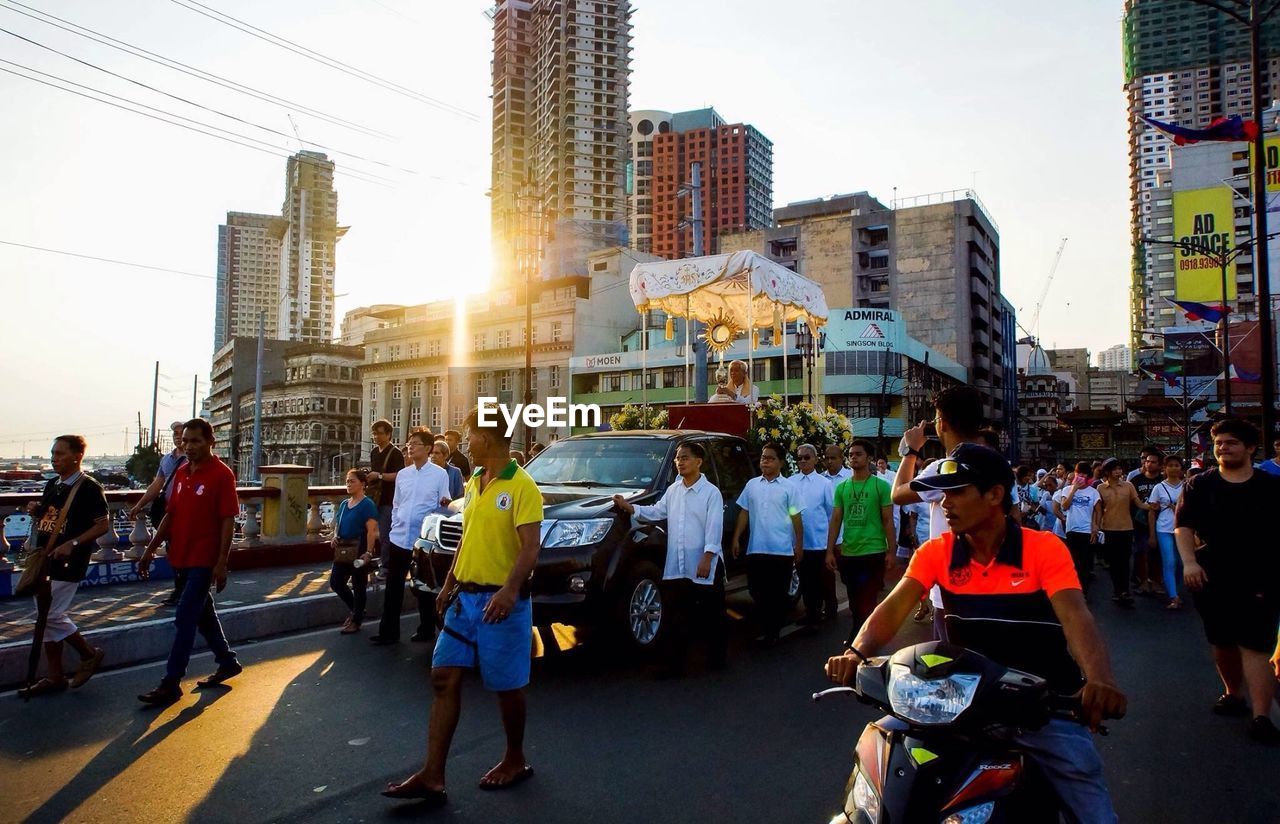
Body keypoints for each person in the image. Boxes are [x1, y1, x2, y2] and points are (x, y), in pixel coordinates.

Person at [826, 444, 1127, 823]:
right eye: (942, 493)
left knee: (1091, 809)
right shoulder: (936, 552)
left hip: (1041, 709)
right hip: (958, 708)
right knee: (880, 765)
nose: (944, 503)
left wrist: (1099, 680)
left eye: (956, 492)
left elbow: (1076, 618)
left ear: (994, 495)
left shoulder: (1044, 549)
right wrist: (855, 653)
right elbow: (892, 609)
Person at [383, 406, 544, 805]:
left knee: (507, 689)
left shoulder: (523, 487)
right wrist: (448, 584)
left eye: (470, 434)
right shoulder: (474, 479)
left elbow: (531, 548)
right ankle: (433, 774)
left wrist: (508, 591)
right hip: (463, 599)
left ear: (487, 438)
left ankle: (515, 758)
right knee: (443, 677)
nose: (464, 441)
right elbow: (468, 536)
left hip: (501, 603)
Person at [1175, 417, 1280, 744]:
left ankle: (1261, 715)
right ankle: (1233, 693)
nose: (1223, 448)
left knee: (1256, 642)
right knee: (1221, 639)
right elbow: (1184, 527)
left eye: (1231, 442)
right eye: (1219, 443)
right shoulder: (1200, 484)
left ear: (1250, 448)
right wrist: (1189, 562)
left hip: (1260, 574)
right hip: (1211, 574)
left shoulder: (1271, 486)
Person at [137, 419, 242, 706]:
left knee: (185, 616)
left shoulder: (222, 475)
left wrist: (222, 561)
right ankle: (226, 660)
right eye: (185, 440)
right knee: (203, 614)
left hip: (204, 558)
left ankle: (171, 682)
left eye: (196, 440)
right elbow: (171, 515)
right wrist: (150, 549)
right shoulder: (182, 472)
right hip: (181, 554)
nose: (189, 446)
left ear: (210, 442)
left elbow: (227, 520)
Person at [613, 441, 726, 674]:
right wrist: (631, 508)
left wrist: (707, 556)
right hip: (678, 565)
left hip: (704, 564)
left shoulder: (710, 493)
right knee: (676, 615)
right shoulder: (674, 491)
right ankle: (674, 663)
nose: (680, 462)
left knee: (711, 614)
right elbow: (657, 511)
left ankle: (716, 659)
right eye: (677, 458)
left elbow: (714, 528)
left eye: (684, 458)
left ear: (698, 462)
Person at [891, 384, 987, 641]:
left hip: (951, 584)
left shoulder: (944, 468)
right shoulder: (994, 464)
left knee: (952, 666)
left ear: (941, 424)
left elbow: (898, 493)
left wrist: (911, 451)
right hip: (992, 584)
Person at [17, 435, 110, 698]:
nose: (54, 458)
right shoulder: (53, 485)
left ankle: (88, 654)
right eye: (53, 453)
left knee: (51, 616)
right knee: (45, 616)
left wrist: (75, 543)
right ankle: (55, 675)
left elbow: (102, 525)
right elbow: (52, 516)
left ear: (77, 456)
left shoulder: (89, 487)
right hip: (46, 556)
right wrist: (37, 509)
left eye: (60, 454)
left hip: (69, 560)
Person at [373, 429, 452, 646]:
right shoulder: (403, 475)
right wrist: (396, 524)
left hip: (421, 540)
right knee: (393, 587)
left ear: (427, 448)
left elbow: (443, 503)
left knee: (424, 588)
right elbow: (397, 503)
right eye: (409, 443)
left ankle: (426, 629)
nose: (410, 446)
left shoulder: (439, 474)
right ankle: (388, 632)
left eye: (416, 443)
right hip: (399, 537)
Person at [731, 442, 803, 646]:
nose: (765, 461)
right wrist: (737, 537)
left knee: (778, 593)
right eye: (763, 457)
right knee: (756, 590)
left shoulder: (789, 488)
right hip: (757, 548)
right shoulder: (752, 485)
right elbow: (744, 512)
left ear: (780, 462)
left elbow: (796, 517)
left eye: (770, 458)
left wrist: (798, 545)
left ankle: (773, 632)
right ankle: (768, 626)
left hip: (781, 550)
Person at [826, 439, 895, 646]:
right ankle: (862, 631)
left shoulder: (881, 486)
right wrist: (829, 551)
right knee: (855, 599)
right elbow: (836, 520)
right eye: (851, 454)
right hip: (849, 552)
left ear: (869, 458)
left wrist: (891, 551)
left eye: (858, 454)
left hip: (873, 552)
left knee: (868, 598)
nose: (853, 457)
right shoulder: (842, 487)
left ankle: (861, 638)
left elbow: (888, 520)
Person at [128, 421, 188, 606]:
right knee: (173, 550)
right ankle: (180, 590)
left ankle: (186, 591)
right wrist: (140, 504)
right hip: (168, 511)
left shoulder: (193, 459)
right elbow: (157, 484)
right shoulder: (167, 459)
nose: (177, 436)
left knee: (185, 552)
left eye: (181, 433)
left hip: (186, 512)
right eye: (175, 433)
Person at [1095, 457, 1157, 607]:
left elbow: (1139, 504)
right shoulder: (1100, 488)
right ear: (1108, 472)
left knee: (1124, 561)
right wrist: (1095, 528)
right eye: (1115, 469)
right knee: (1113, 562)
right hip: (1108, 529)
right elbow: (1097, 511)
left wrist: (1151, 506)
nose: (1118, 472)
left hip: (1126, 528)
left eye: (1119, 469)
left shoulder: (1128, 486)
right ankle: (1117, 590)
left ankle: (1124, 591)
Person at [789, 444, 835, 629]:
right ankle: (811, 614)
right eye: (799, 457)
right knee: (805, 582)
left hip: (819, 542)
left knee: (818, 582)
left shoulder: (825, 484)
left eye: (807, 457)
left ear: (815, 459)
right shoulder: (791, 482)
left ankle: (817, 617)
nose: (802, 461)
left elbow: (832, 514)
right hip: (798, 543)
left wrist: (833, 543)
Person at [331, 469, 379, 634]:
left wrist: (369, 552)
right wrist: (335, 536)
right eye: (347, 481)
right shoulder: (344, 504)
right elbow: (338, 524)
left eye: (352, 481)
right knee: (336, 582)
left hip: (359, 548)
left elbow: (371, 530)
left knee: (359, 585)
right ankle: (356, 609)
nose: (348, 484)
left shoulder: (368, 505)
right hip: (343, 549)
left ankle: (356, 621)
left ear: (363, 484)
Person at [1055, 461, 1102, 593]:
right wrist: (1074, 489)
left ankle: (1084, 591)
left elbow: (1098, 510)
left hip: (1087, 531)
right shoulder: (1066, 489)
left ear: (1087, 476)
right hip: (1072, 530)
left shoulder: (1093, 492)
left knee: (1086, 564)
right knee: (1073, 562)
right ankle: (1075, 589)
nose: (1080, 476)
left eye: (1083, 474)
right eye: (1078, 473)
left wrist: (1096, 527)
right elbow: (1064, 506)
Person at [367, 419, 405, 571]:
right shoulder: (374, 452)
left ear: (389, 434)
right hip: (374, 498)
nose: (377, 437)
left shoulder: (395, 453)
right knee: (370, 531)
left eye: (380, 434)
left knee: (385, 534)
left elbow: (399, 475)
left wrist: (380, 476)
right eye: (375, 434)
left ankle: (386, 564)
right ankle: (371, 558)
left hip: (389, 498)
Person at [1147, 455, 1185, 610]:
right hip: (1163, 528)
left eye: (1177, 465)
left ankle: (1175, 589)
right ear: (1165, 468)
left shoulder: (1187, 486)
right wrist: (1151, 534)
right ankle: (1173, 596)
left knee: (1181, 563)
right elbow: (1151, 511)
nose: (1174, 468)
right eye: (1171, 465)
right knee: (1169, 561)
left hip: (1183, 529)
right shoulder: (1158, 488)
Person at [1127, 447, 1165, 596]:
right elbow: (1129, 503)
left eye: (1153, 462)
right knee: (1140, 552)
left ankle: (1156, 581)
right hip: (1139, 522)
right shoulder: (1135, 480)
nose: (1149, 464)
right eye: (1147, 461)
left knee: (1157, 553)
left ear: (1160, 465)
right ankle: (1141, 581)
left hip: (1160, 522)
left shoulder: (1162, 482)